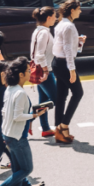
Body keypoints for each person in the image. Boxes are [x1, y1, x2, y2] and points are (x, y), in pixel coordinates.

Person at [0, 58, 46, 186]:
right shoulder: (20, 92)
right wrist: (33, 115)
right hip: (17, 137)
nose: (30, 72)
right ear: (21, 74)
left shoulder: (10, 88)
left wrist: (31, 113)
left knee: (17, 170)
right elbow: (18, 116)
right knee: (27, 169)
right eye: (28, 71)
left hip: (8, 134)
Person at [52, 0, 86, 144]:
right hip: (64, 63)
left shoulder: (62, 23)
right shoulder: (69, 26)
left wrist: (78, 42)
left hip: (57, 62)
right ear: (72, 10)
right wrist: (72, 70)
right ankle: (63, 125)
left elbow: (64, 44)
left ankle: (59, 130)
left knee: (62, 95)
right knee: (78, 93)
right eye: (79, 8)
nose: (81, 11)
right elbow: (67, 49)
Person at [31, 7, 57, 137]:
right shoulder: (44, 33)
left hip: (40, 69)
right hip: (44, 70)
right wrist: (46, 71)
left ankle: (46, 129)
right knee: (57, 99)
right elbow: (39, 55)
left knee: (43, 100)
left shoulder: (39, 31)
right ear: (48, 18)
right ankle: (29, 119)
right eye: (54, 16)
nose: (56, 19)